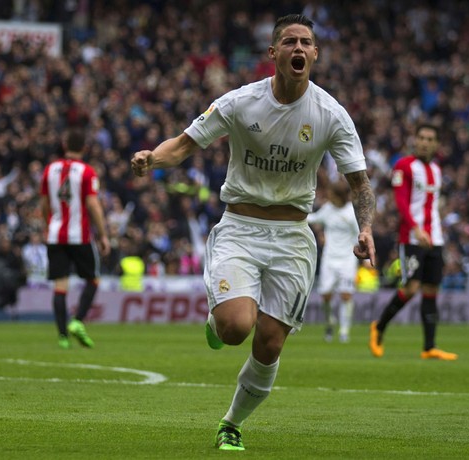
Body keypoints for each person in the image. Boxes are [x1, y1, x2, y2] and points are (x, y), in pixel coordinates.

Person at [131, 14, 375, 451]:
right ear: (274, 53)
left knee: (270, 341)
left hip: (293, 235)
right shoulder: (240, 102)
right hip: (241, 227)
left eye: (306, 43)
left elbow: (358, 182)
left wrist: (368, 227)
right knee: (235, 328)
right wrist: (154, 158)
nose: (298, 49)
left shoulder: (331, 114)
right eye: (289, 42)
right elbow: (185, 143)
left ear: (315, 54)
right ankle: (217, 316)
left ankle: (231, 423)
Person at [369, 123, 457, 361]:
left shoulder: (437, 170)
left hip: (434, 237)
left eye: (430, 139)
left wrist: (433, 231)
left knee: (431, 290)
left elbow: (432, 206)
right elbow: (401, 203)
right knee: (411, 288)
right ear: (415, 140)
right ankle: (379, 327)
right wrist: (416, 229)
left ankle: (429, 346)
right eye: (421, 138)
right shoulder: (404, 166)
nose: (425, 142)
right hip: (411, 237)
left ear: (436, 144)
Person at [41, 127, 111, 349]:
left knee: (60, 285)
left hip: (55, 235)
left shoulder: (49, 170)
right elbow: (93, 204)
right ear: (85, 148)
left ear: (64, 145)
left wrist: (48, 226)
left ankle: (62, 337)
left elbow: (44, 204)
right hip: (79, 236)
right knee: (93, 280)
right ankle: (78, 321)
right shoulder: (87, 172)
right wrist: (103, 235)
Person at [307, 178, 360, 343]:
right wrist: (295, 213)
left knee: (345, 295)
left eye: (332, 193)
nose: (328, 196)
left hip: (347, 259)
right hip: (329, 258)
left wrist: (362, 256)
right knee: (325, 296)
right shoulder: (328, 209)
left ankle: (344, 331)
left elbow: (359, 235)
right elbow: (314, 219)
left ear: (339, 195)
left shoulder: (351, 213)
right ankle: (330, 322)